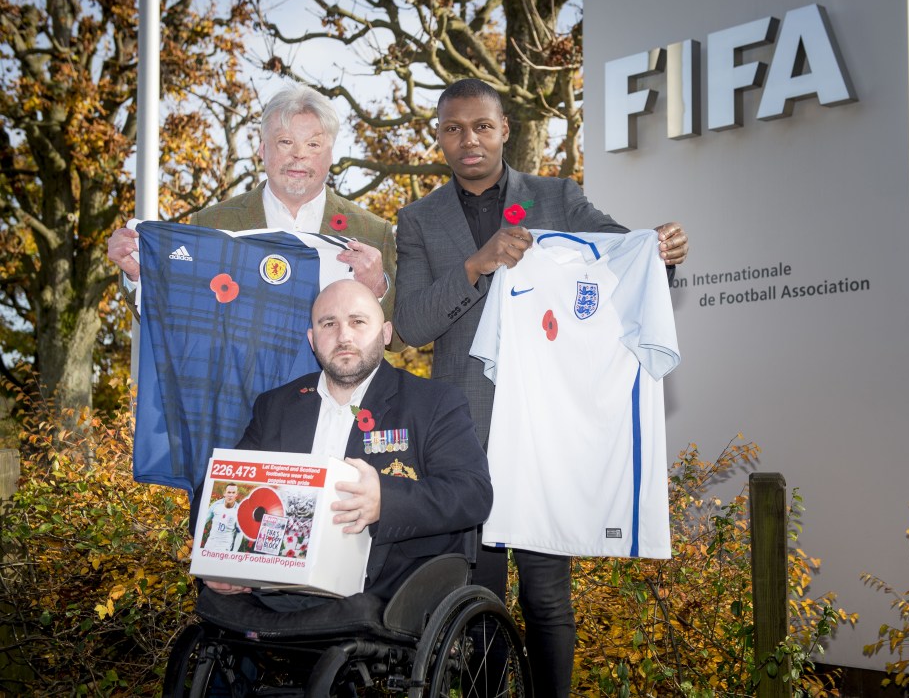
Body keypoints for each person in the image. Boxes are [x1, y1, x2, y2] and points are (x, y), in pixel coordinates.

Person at [393, 78, 689, 696]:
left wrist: (659, 248)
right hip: (464, 438)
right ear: (439, 138)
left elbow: (619, 251)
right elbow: (412, 326)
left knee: (548, 599)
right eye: (453, 128)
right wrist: (478, 264)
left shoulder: (557, 197)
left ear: (504, 130)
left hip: (547, 432)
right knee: (475, 602)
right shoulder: (417, 219)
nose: (468, 139)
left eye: (481, 126)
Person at [200, 279, 492, 604]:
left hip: (384, 593)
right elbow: (220, 487)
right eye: (329, 324)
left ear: (384, 333)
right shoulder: (276, 406)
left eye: (358, 321)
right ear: (312, 340)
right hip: (276, 586)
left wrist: (386, 501)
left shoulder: (434, 403)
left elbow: (473, 494)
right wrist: (219, 560)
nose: (344, 336)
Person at [107, 83, 397, 318]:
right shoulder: (210, 223)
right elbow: (177, 316)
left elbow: (398, 338)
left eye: (313, 144)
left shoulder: (373, 232)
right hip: (242, 390)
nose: (299, 155)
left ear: (331, 154)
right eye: (285, 142)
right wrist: (138, 275)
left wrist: (377, 287)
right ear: (262, 149)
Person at [200, 482, 243, 552]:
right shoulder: (216, 505)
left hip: (224, 547)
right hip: (210, 544)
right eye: (229, 492)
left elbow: (240, 533)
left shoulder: (239, 511)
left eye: (233, 493)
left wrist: (234, 552)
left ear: (236, 495)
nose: (230, 495)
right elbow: (202, 522)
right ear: (224, 493)